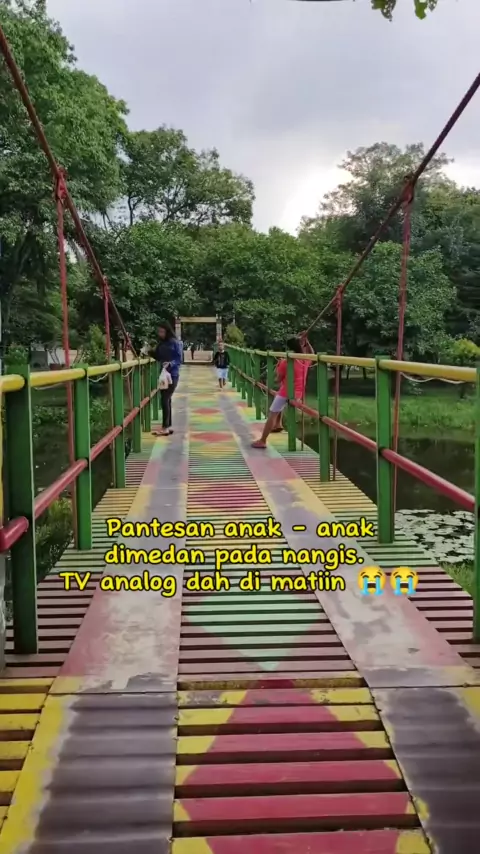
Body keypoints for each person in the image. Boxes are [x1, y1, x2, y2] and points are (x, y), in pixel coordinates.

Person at [251, 334, 314, 449]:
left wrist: (278, 367)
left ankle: (262, 440)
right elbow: (312, 354)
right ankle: (278, 424)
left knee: (273, 413)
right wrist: (307, 341)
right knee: (279, 399)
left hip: (286, 392)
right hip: (298, 394)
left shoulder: (286, 362)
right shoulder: (305, 359)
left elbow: (278, 379)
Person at [149, 322, 182, 436]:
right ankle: (168, 426)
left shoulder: (175, 343)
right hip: (163, 374)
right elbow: (158, 357)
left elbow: (179, 359)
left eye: (162, 332)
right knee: (166, 399)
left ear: (167, 332)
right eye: (159, 332)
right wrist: (149, 351)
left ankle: (165, 427)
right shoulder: (161, 344)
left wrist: (170, 363)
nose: (160, 334)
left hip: (172, 375)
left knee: (165, 399)